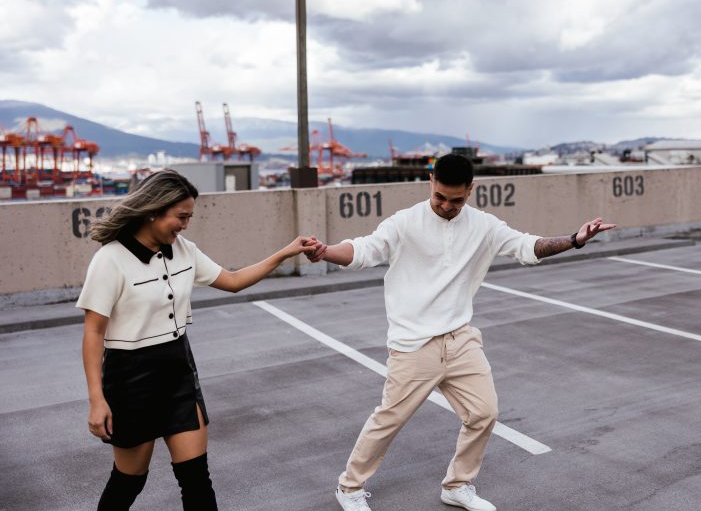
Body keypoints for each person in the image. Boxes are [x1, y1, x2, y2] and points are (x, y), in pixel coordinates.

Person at [304, 153, 616, 511]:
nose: (447, 206)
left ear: (471, 190)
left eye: (456, 200)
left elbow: (528, 247)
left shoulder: (483, 225)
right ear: (430, 182)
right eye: (440, 197)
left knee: (484, 413)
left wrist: (575, 239)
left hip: (460, 339)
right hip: (413, 344)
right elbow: (362, 250)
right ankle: (349, 487)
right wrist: (326, 252)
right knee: (389, 419)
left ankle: (457, 485)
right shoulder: (405, 223)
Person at [78, 169, 315, 510]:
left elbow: (232, 280)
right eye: (181, 217)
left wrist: (285, 253)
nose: (185, 225)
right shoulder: (110, 259)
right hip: (130, 379)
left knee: (196, 479)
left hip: (178, 372)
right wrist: (97, 400)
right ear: (153, 211)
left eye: (189, 217)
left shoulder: (184, 250)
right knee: (129, 480)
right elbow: (93, 331)